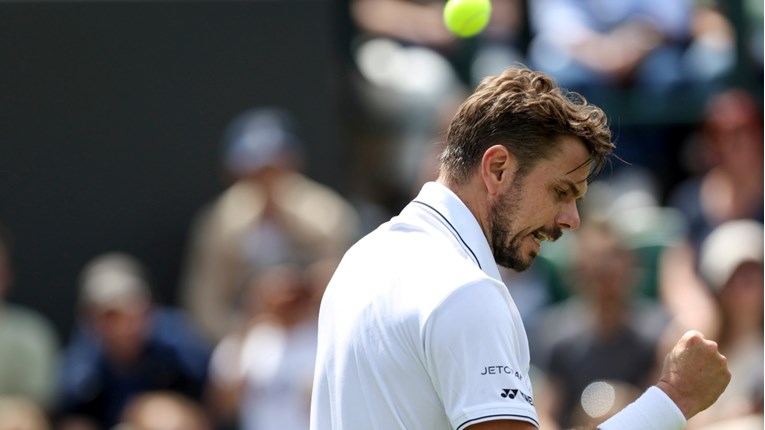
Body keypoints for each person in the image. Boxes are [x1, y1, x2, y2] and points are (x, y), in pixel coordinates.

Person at [310, 67, 730, 430]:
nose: (571, 220)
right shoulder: (465, 292)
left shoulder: (358, 262)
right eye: (561, 191)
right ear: (497, 169)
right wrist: (674, 398)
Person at [180, 107, 360, 342]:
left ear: (294, 162)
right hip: (247, 335)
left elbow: (348, 289)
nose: (266, 178)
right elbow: (205, 302)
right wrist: (239, 333)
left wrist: (302, 290)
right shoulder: (219, 222)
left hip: (316, 332)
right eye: (254, 170)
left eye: (274, 168)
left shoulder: (327, 213)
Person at [54, 252, 211, 430]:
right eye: (112, 315)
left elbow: (208, 404)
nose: (124, 325)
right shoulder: (81, 366)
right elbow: (73, 417)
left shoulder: (178, 343)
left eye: (133, 310)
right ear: (89, 319)